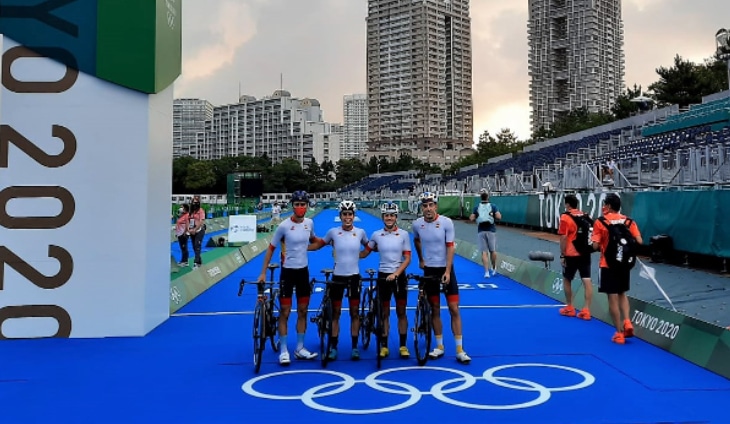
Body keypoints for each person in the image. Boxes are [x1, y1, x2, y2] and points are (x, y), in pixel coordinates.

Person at [257, 190, 319, 365]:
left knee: (303, 311)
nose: (300, 207)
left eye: (303, 204)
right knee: (285, 312)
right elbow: (271, 248)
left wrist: (331, 240)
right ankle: (284, 350)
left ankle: (300, 348)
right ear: (292, 206)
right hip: (287, 273)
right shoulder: (283, 226)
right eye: (297, 204)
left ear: (307, 206)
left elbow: (314, 240)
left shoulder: (309, 223)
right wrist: (263, 272)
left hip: (303, 272)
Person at [412, 192, 471, 364]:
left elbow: (450, 247)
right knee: (435, 309)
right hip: (429, 271)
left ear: (436, 206)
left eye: (431, 205)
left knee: (453, 308)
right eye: (425, 205)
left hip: (445, 270)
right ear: (421, 208)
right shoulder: (417, 224)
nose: (428, 208)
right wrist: (421, 259)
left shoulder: (446, 222)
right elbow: (416, 241)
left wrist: (447, 270)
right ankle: (439, 346)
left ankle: (460, 349)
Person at [309, 200, 369, 361]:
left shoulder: (361, 232)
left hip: (354, 277)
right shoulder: (333, 232)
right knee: (335, 314)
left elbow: (369, 246)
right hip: (338, 278)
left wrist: (363, 255)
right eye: (344, 214)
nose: (347, 217)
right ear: (340, 216)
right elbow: (319, 245)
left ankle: (354, 347)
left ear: (353, 216)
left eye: (350, 214)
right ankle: (334, 346)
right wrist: (301, 247)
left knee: (355, 313)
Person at [360, 201, 412, 359]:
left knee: (401, 312)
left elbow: (407, 258)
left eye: (392, 215)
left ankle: (403, 345)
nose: (389, 218)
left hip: (398, 277)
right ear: (383, 217)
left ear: (396, 217)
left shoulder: (403, 234)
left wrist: (396, 273)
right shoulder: (376, 235)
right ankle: (384, 345)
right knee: (384, 313)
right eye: (386, 215)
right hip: (383, 277)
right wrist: (345, 253)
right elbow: (364, 253)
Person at [591, 193, 642, 344]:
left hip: (607, 264)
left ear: (609, 206)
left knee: (611, 297)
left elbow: (594, 245)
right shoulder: (628, 221)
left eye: (605, 204)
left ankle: (619, 332)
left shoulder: (600, 222)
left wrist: (601, 243)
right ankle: (627, 321)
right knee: (622, 293)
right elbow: (639, 240)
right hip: (624, 264)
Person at [558, 194, 594, 320]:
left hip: (571, 253)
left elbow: (563, 237)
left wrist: (562, 254)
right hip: (585, 252)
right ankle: (586, 310)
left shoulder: (565, 217)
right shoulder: (585, 215)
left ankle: (570, 307)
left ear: (567, 204)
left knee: (567, 279)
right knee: (587, 280)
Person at [469, 189, 502, 278]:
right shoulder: (493, 206)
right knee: (493, 250)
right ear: (488, 196)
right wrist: (492, 215)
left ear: (481, 197)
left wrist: (477, 216)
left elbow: (471, 218)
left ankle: (486, 272)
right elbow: (499, 216)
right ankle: (494, 268)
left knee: (484, 252)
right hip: (491, 230)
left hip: (481, 231)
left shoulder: (477, 207)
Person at [188, 196, 206, 269]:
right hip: (192, 231)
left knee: (197, 245)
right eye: (193, 202)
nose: (195, 204)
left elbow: (201, 221)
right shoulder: (191, 212)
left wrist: (195, 229)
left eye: (196, 202)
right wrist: (189, 230)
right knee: (194, 246)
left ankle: (196, 263)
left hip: (199, 230)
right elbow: (188, 221)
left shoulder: (201, 211)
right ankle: (199, 261)